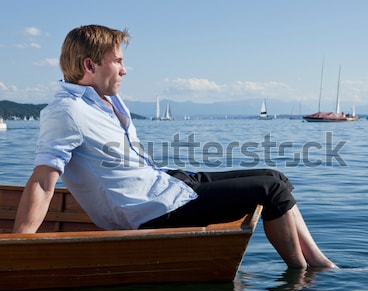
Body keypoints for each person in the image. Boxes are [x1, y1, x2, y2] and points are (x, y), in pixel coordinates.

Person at [13, 25, 337, 270]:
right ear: (90, 66)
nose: (125, 70)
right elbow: (43, 180)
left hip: (167, 184)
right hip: (152, 212)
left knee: (274, 176)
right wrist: (17, 248)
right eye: (118, 62)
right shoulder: (66, 112)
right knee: (270, 190)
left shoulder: (106, 99)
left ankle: (318, 261)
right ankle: (305, 275)